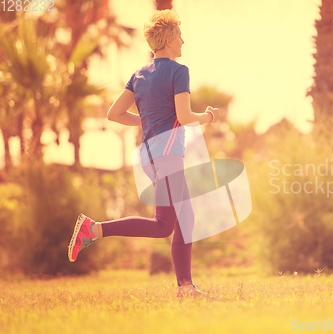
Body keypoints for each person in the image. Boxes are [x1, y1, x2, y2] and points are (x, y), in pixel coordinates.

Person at [67, 9, 220, 298]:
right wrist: (209, 117)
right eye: (180, 36)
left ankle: (94, 229)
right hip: (168, 154)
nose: (184, 42)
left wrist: (147, 120)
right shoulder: (179, 71)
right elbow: (185, 116)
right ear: (169, 38)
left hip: (149, 156)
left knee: (164, 225)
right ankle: (185, 288)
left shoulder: (139, 74)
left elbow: (115, 113)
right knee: (184, 219)